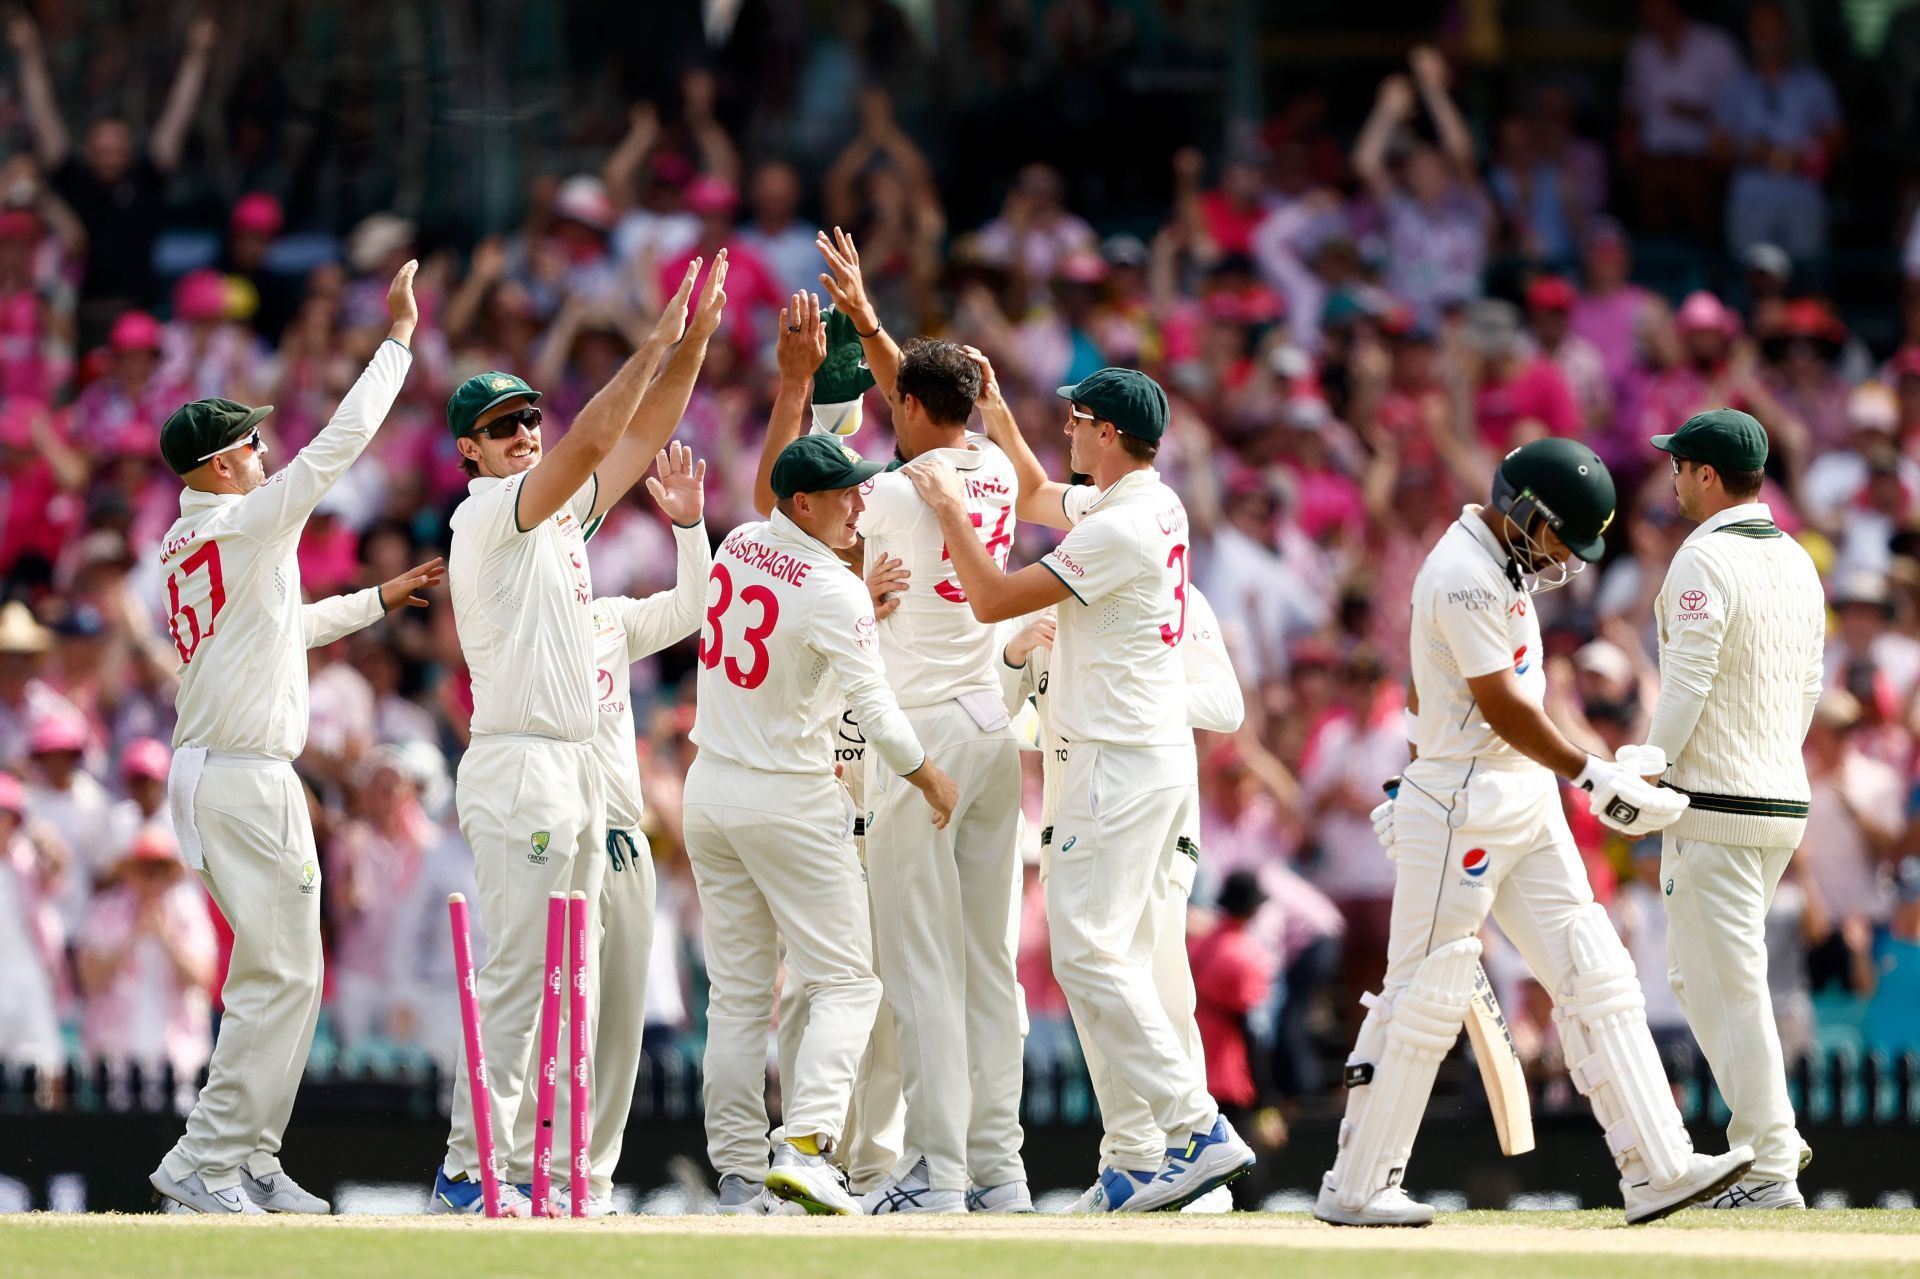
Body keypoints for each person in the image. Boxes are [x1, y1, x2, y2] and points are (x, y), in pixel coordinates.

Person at [1316, 437, 1752, 1227]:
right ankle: (1356, 1185)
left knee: (1595, 967)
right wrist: (1586, 774)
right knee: (1426, 988)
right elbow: (1502, 707)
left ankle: (1657, 1165)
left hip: (1515, 791)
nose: (1566, 559)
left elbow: (1461, 690)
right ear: (1525, 511)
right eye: (1562, 536)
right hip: (1467, 797)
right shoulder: (1460, 573)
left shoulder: (1503, 562)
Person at [902, 365, 1254, 1213]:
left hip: (1115, 762)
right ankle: (1135, 1159)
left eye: (1074, 421)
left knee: (1090, 954)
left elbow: (989, 598)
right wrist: (995, 411)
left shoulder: (1118, 530)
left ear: (1103, 430)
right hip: (1144, 758)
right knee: (1111, 958)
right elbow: (1031, 492)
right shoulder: (1148, 501)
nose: (1064, 432)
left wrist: (947, 505)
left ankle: (1197, 1128)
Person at [431, 255, 722, 1215]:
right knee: (520, 974)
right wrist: (651, 339)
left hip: (577, 772)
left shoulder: (554, 525)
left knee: (578, 985)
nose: (522, 433)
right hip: (517, 761)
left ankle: (552, 1174)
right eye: (500, 427)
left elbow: (639, 436)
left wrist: (695, 341)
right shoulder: (488, 519)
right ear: (469, 453)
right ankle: (470, 1169)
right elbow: (601, 427)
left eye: (527, 419)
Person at [148, 261, 433, 1216]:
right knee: (276, 971)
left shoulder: (204, 539)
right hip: (243, 773)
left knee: (291, 971)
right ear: (220, 465)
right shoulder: (237, 525)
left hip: (227, 767)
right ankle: (209, 1155)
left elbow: (284, 630)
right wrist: (396, 341)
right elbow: (333, 453)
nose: (267, 448)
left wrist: (379, 599)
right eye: (251, 440)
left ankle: (251, 1153)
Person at [768, 232, 1027, 1216]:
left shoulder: (883, 495)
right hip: (992, 730)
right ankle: (999, 1169)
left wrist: (803, 384)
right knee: (987, 963)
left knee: (915, 964)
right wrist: (874, 326)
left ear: (909, 411)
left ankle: (934, 1171)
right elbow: (923, 402)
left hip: (921, 735)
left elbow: (783, 505)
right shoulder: (996, 466)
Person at [685, 434, 957, 1216]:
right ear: (802, 503)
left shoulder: (739, 541)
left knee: (737, 994)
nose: (859, 504)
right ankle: (806, 1146)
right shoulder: (831, 589)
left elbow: (778, 639)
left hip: (712, 788)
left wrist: (853, 609)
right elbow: (875, 711)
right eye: (844, 493)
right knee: (848, 981)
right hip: (788, 797)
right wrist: (930, 775)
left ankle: (739, 1175)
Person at [997, 575, 1247, 1214]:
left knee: (1158, 985)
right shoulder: (1042, 597)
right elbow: (1000, 718)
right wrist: (1013, 655)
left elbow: (1224, 704)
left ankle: (1189, 1151)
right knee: (1093, 991)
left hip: (1149, 823)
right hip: (1068, 824)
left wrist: (1125, 685)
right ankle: (1130, 1160)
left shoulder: (1170, 591)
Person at [1632, 408, 1827, 1210]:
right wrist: (1772, 754)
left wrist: (1647, 762)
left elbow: (1689, 679)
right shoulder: (1798, 559)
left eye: (1679, 465)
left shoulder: (1703, 557)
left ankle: (1769, 1161)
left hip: (1717, 801)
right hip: (1778, 794)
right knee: (1698, 973)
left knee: (1729, 976)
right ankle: (1768, 1140)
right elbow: (1810, 685)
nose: (1672, 477)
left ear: (1708, 475)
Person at [561, 440, 711, 1214]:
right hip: (554, 829)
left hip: (622, 831)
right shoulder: (511, 618)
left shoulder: (611, 620)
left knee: (620, 1013)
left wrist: (689, 527)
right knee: (559, 1006)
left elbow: (694, 608)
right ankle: (539, 1166)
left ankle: (591, 1174)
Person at [9, 13, 216, 338]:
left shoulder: (145, 181)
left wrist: (197, 57)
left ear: (128, 149)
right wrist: (29, 54)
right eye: (101, 149)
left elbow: (177, 119)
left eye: (115, 148)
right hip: (83, 321)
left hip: (138, 319)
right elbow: (44, 117)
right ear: (90, 150)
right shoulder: (76, 182)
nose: (108, 156)